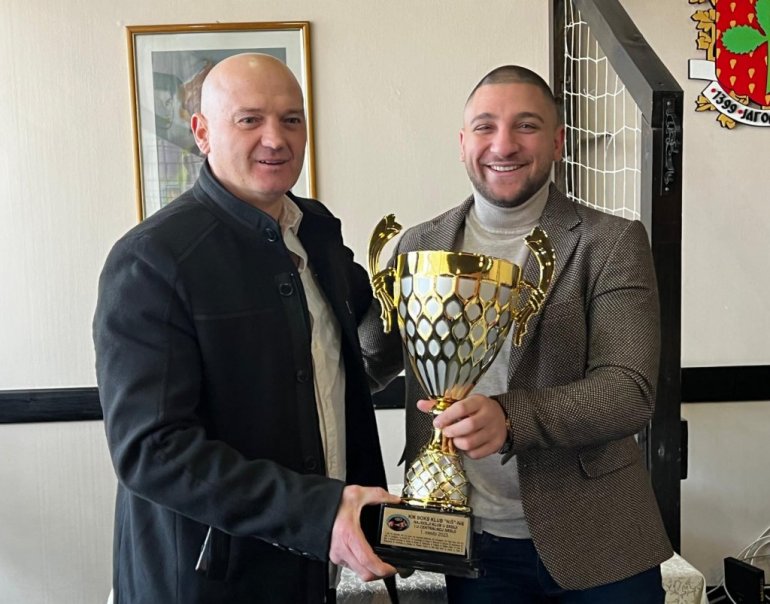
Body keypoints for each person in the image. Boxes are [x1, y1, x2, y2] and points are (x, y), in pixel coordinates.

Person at [359, 65, 673, 602]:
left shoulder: (611, 242)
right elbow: (374, 358)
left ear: (557, 142)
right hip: (469, 543)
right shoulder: (417, 245)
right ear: (463, 143)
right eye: (485, 127)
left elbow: (629, 391)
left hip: (598, 539)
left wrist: (509, 418)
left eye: (526, 126)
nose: (503, 145)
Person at [94, 53, 400, 604]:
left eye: (291, 119)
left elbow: (361, 331)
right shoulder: (152, 259)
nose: (275, 139)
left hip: (316, 568)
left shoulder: (317, 231)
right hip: (206, 582)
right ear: (202, 133)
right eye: (249, 119)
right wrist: (317, 511)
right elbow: (152, 450)